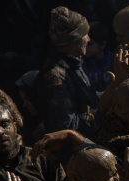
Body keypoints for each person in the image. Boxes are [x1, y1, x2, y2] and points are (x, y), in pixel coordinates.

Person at [36, 6, 99, 141]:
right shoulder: (56, 76)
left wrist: (114, 90)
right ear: (74, 41)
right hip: (72, 157)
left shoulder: (73, 64)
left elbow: (87, 100)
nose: (88, 40)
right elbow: (65, 126)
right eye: (85, 35)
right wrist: (99, 116)